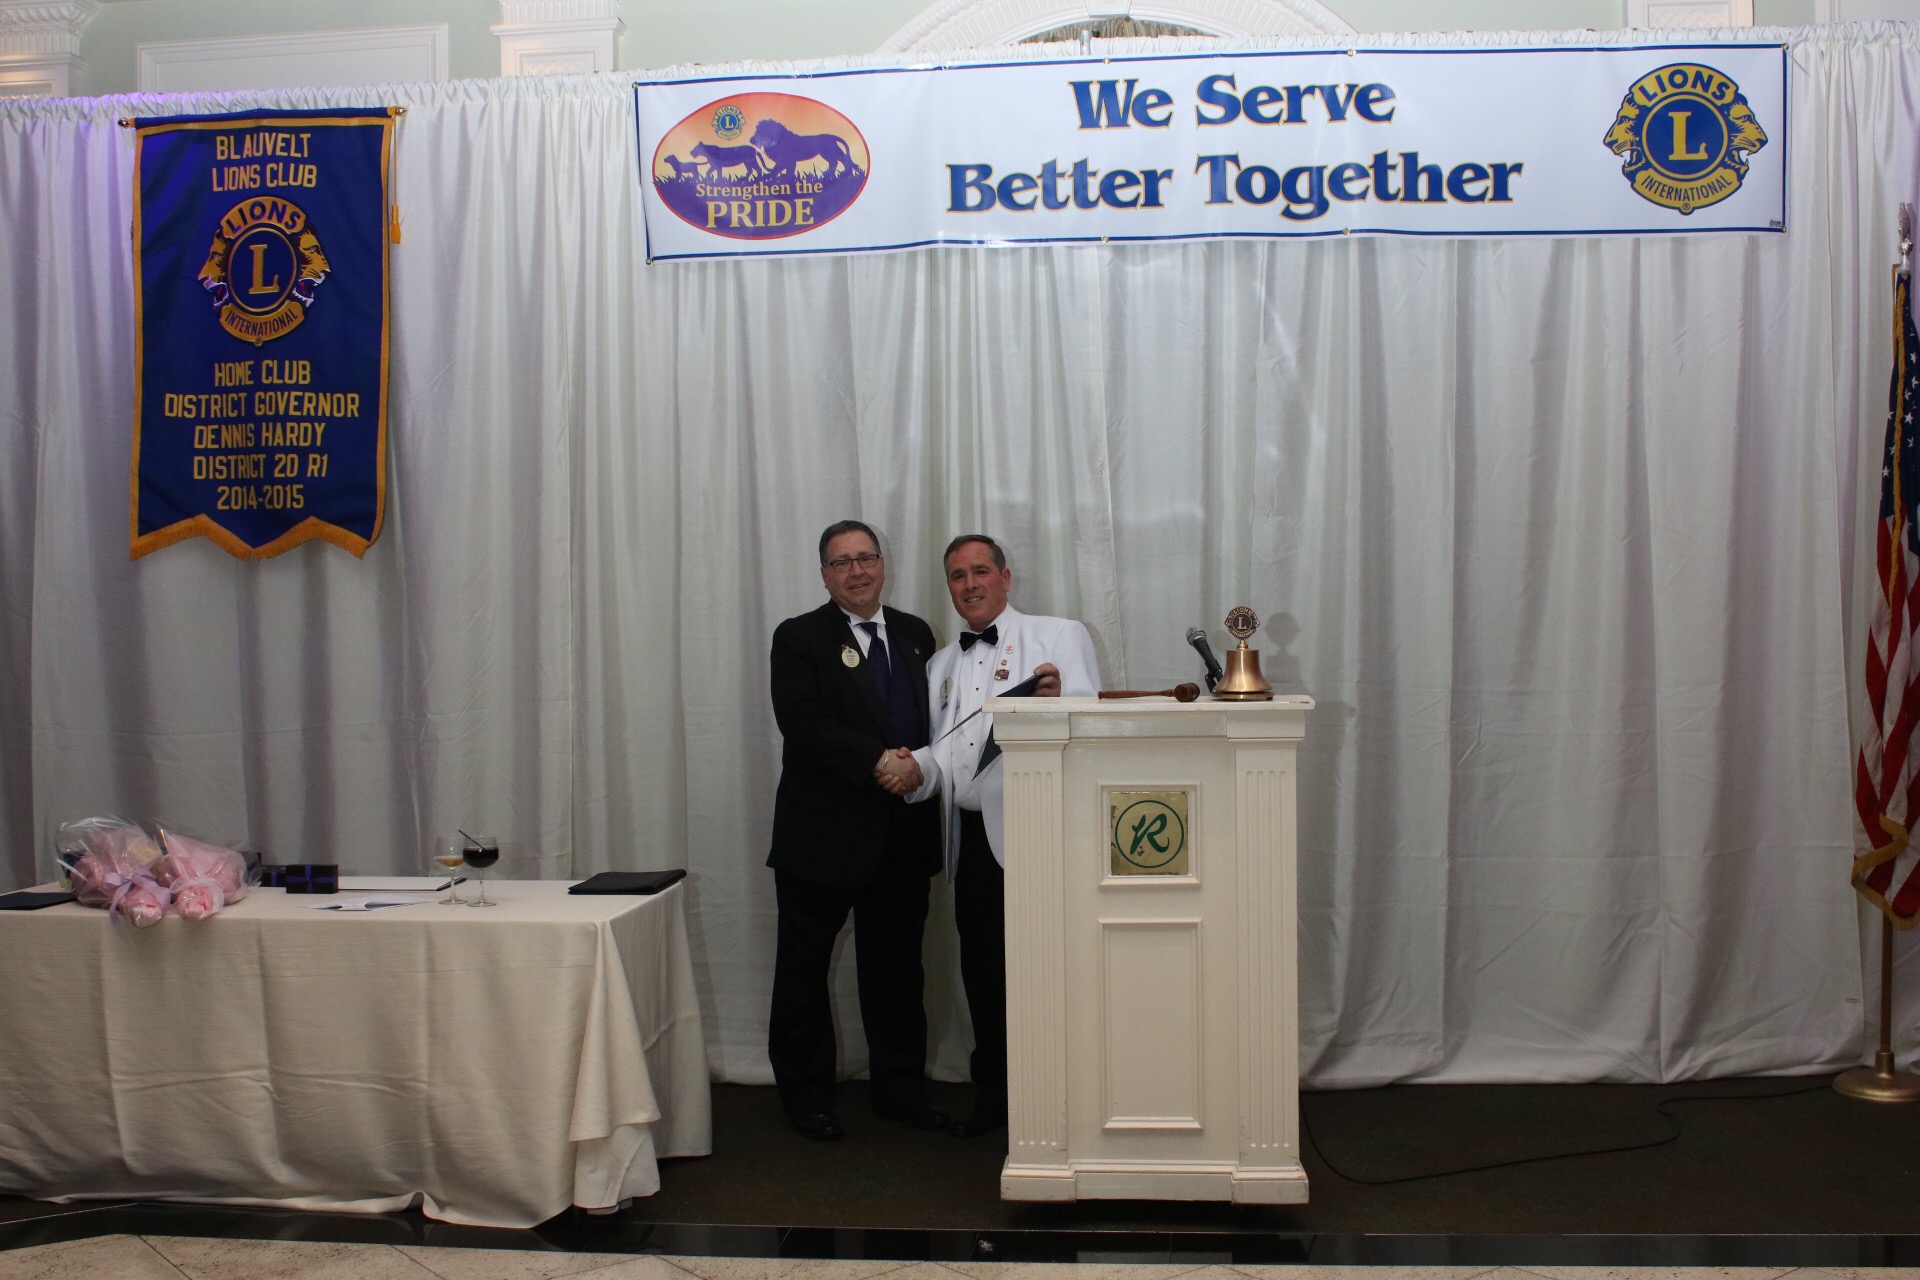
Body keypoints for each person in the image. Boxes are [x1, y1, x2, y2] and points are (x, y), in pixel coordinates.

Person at [882, 534, 1100, 1138]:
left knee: (1053, 970)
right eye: (958, 576)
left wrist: (1059, 704)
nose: (970, 584)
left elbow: (1091, 725)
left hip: (1045, 834)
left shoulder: (1059, 636)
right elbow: (946, 758)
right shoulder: (939, 666)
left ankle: (1064, 1100)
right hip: (974, 842)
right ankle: (998, 1100)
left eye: (981, 571)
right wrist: (910, 770)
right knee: (985, 974)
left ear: (1006, 577)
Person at [765, 520, 948, 1141]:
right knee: (803, 972)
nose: (857, 571)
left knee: (897, 974)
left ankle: (900, 1092)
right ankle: (805, 1097)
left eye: (865, 558)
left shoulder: (917, 634)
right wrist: (878, 762)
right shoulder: (798, 637)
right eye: (841, 562)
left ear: (883, 564)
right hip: (822, 838)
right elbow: (802, 722)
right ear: (824, 575)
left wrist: (918, 768)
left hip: (901, 836)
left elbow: (939, 720)